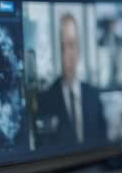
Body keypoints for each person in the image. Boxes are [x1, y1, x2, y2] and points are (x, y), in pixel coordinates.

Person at [35, 12, 107, 147]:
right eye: (62, 47)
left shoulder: (94, 96)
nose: (68, 55)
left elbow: (104, 145)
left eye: (72, 45)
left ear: (79, 48)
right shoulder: (45, 101)